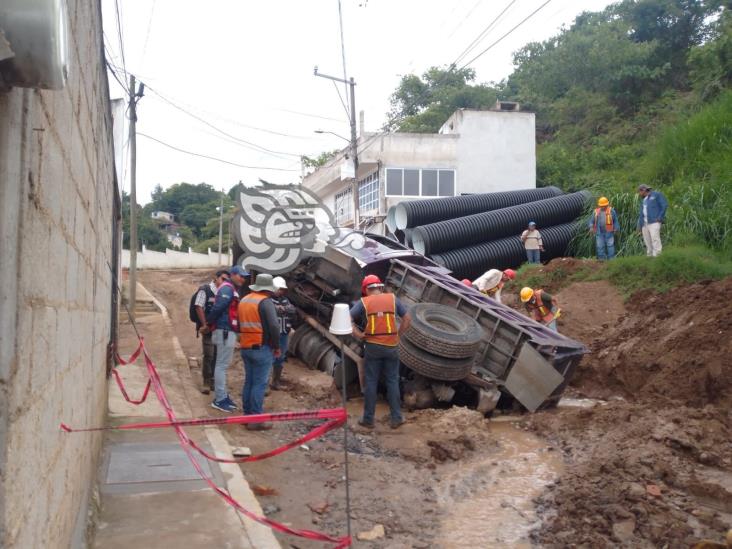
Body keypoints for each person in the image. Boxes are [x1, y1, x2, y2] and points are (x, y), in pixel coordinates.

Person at [350, 274, 412, 430]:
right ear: (380, 287)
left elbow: (347, 317)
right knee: (392, 381)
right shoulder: (392, 299)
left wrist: (358, 334)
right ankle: (396, 418)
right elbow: (407, 319)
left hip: (372, 346)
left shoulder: (364, 302)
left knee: (371, 381)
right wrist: (398, 335)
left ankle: (368, 419)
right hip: (391, 346)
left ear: (366, 289)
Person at [238, 273, 281, 430]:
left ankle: (246, 416)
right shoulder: (265, 302)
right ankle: (255, 420)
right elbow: (274, 326)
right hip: (261, 348)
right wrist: (276, 346)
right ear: (268, 288)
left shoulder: (245, 299)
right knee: (259, 384)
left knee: (249, 382)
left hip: (245, 346)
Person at [206, 265, 249, 413]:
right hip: (224, 329)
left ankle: (223, 396)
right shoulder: (227, 288)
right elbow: (218, 308)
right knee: (221, 365)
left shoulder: (231, 288)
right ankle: (219, 399)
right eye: (241, 276)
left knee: (222, 365)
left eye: (245, 277)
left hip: (227, 330)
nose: (243, 279)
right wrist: (208, 323)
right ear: (234, 274)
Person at [193, 269, 229, 392]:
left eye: (227, 280)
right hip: (208, 329)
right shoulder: (205, 290)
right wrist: (204, 325)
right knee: (209, 355)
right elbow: (198, 306)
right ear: (215, 278)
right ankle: (206, 382)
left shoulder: (225, 292)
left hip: (220, 329)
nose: (224, 282)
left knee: (217, 355)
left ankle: (213, 380)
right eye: (223, 279)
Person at [270, 276, 297, 391]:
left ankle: (276, 382)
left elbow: (292, 310)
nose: (281, 291)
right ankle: (265, 384)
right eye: (280, 289)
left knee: (280, 358)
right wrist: (280, 308)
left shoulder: (285, 299)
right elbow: (273, 310)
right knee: (269, 358)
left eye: (282, 289)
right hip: (272, 335)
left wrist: (283, 308)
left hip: (284, 334)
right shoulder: (268, 300)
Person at [636, 184, 668, 257]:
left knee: (655, 239)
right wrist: (639, 226)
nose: (639, 194)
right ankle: (650, 256)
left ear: (643, 190)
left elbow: (664, 205)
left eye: (639, 192)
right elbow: (641, 214)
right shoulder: (644, 200)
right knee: (647, 241)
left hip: (654, 222)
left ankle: (657, 256)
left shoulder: (657, 195)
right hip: (645, 223)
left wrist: (659, 217)